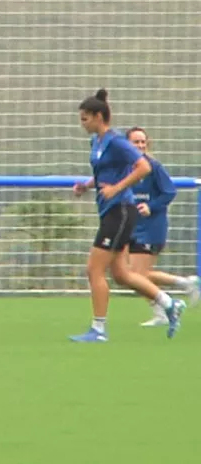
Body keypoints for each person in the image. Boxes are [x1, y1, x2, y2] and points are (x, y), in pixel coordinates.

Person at [69, 90, 184, 342]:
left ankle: (98, 330)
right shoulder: (97, 142)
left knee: (94, 269)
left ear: (99, 117)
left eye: (85, 118)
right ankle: (170, 304)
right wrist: (87, 186)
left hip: (120, 211)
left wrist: (117, 188)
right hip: (110, 211)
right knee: (121, 274)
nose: (82, 123)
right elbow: (105, 173)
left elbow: (143, 166)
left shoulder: (118, 141)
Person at [122, 127, 199, 327]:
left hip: (152, 228)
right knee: (134, 276)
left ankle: (174, 298)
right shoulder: (124, 168)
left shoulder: (153, 167)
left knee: (135, 276)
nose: (140, 145)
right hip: (133, 227)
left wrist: (151, 206)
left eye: (142, 142)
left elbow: (169, 192)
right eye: (135, 142)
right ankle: (177, 293)